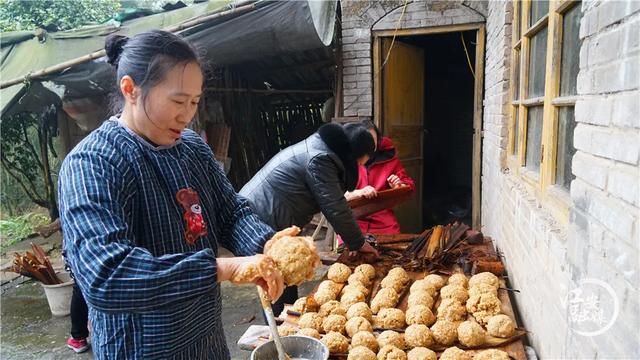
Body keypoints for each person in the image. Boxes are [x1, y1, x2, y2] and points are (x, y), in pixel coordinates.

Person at [58, 30, 285, 359]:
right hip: (140, 347)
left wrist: (268, 244)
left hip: (205, 336)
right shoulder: (94, 163)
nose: (187, 114)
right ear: (130, 89)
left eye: (194, 102)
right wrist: (224, 269)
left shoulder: (191, 148)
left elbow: (230, 213)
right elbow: (107, 276)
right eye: (178, 101)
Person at [240, 121, 380, 315]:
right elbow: (335, 208)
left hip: (270, 212)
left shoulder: (324, 148)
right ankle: (281, 335)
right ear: (354, 155)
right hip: (263, 215)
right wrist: (358, 242)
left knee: (285, 278)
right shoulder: (321, 158)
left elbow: (331, 198)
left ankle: (288, 324)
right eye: (359, 163)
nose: (358, 167)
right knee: (276, 280)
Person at [346, 121, 415, 234]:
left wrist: (398, 186)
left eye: (373, 140)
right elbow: (334, 196)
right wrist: (358, 193)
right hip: (352, 219)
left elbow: (409, 189)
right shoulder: (345, 161)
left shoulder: (390, 158)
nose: (370, 144)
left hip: (383, 220)